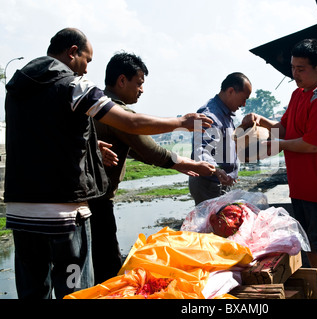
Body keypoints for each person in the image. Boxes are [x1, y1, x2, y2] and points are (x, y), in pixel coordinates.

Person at [4, 28, 212, 299]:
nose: (87, 69)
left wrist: (92, 146)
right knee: (76, 290)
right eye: (87, 60)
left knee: (33, 291)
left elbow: (46, 138)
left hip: (21, 211)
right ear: (72, 52)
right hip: (63, 212)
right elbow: (131, 123)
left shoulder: (16, 88)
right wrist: (181, 122)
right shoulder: (74, 86)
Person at [88, 52, 216, 284]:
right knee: (108, 270)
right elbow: (150, 150)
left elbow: (140, 152)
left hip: (85, 201)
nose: (142, 90)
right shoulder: (117, 113)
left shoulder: (95, 107)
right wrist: (190, 160)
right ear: (121, 81)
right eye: (139, 83)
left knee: (89, 266)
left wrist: (183, 165)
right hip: (97, 202)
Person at [242, 39, 317, 299]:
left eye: (301, 69)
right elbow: (286, 129)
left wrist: (275, 143)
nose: (294, 74)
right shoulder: (299, 93)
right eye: (293, 67)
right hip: (301, 185)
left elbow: (312, 145)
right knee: (311, 242)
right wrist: (261, 121)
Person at [189, 72, 252, 205]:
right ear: (231, 91)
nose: (244, 104)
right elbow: (201, 150)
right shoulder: (210, 115)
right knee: (213, 223)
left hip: (219, 182)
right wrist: (216, 170)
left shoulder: (225, 114)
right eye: (244, 98)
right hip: (209, 184)